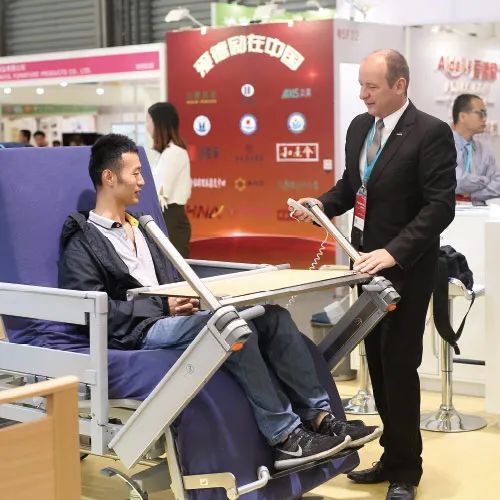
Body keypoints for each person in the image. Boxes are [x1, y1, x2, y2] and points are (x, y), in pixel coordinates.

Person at [58, 134, 381, 471]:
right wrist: (163, 307)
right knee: (230, 326)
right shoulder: (84, 241)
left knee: (273, 317)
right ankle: (285, 437)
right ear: (109, 177)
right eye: (135, 173)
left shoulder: (144, 228)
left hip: (175, 315)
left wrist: (189, 300)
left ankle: (320, 418)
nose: (142, 181)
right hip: (138, 330)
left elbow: (176, 279)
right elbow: (93, 311)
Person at [294, 50, 456, 499]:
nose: (363, 95)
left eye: (372, 87)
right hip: (363, 265)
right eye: (361, 86)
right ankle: (391, 454)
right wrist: (321, 205)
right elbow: (353, 186)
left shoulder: (430, 132)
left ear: (400, 85)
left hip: (406, 268)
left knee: (399, 365)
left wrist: (393, 252)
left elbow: (439, 206)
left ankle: (407, 470)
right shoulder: (360, 128)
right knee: (378, 365)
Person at [147, 102, 192, 258]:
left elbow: (161, 192)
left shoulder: (173, 152)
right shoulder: (166, 153)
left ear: (159, 123)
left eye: (149, 121)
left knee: (174, 270)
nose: (147, 126)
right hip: (167, 218)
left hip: (170, 219)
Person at [451, 94, 500, 202]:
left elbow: (498, 183)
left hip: (480, 210)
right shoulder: (443, 145)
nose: (485, 119)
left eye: (485, 114)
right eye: (480, 113)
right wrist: (485, 180)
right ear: (462, 116)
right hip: (448, 210)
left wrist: (473, 195)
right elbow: (455, 181)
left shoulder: (484, 149)